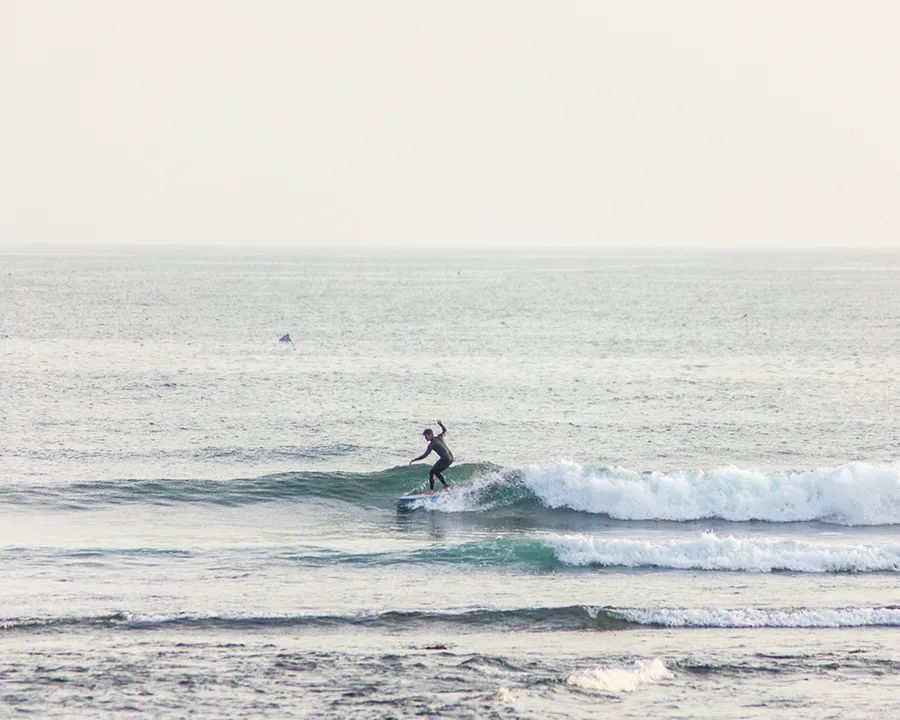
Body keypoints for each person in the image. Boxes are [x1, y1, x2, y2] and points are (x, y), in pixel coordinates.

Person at [409, 419, 453, 492]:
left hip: (445, 458)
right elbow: (444, 431)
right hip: (451, 457)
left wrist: (415, 459)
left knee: (431, 472)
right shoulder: (440, 437)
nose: (425, 438)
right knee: (436, 472)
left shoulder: (432, 444)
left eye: (426, 436)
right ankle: (446, 487)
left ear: (430, 435)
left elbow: (425, 455)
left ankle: (431, 490)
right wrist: (440, 424)